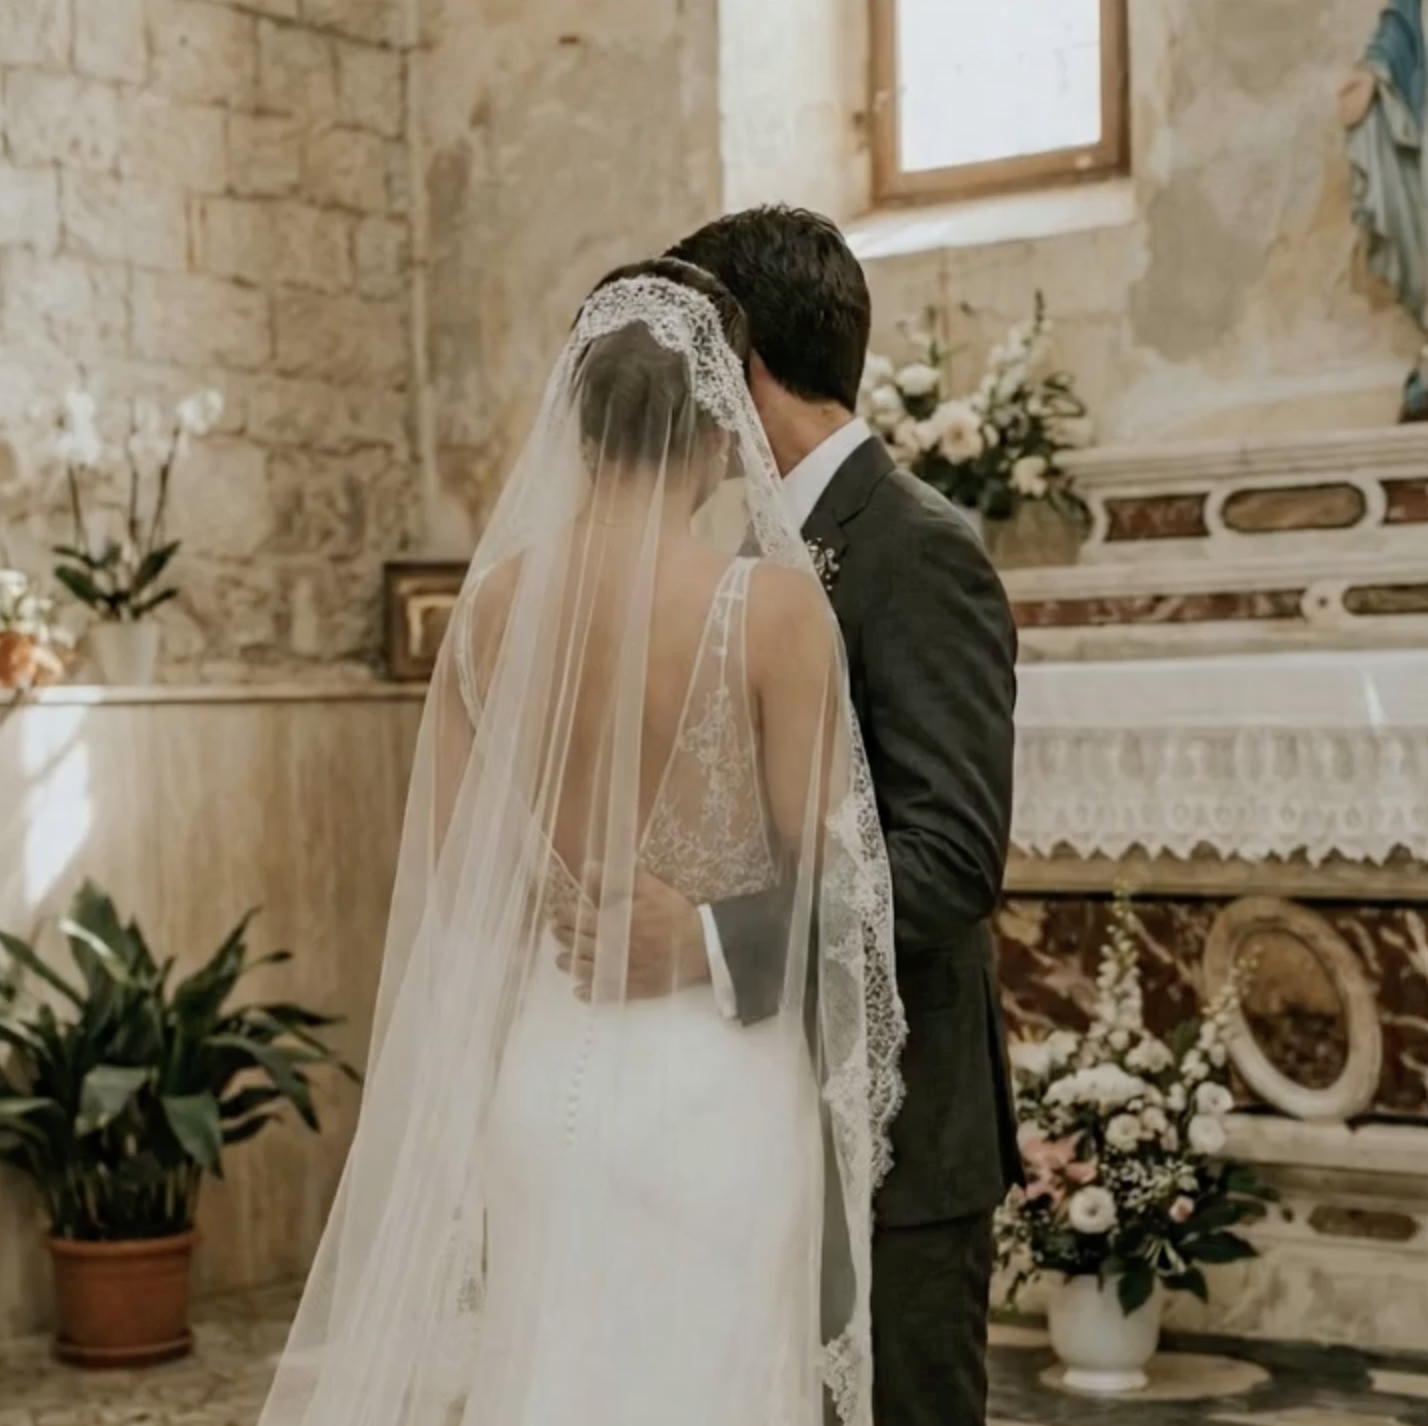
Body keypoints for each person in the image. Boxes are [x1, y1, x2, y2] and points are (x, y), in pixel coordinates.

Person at [256, 257, 905, 1426]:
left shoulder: (489, 617)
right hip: (715, 1087)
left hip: (544, 1081)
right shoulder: (773, 611)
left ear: (577, 420)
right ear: (720, 427)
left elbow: (461, 898)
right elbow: (836, 891)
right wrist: (698, 929)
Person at [590, 207, 1021, 1426]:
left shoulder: (916, 548)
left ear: (747, 364)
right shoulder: (748, 557)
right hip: (758, 1112)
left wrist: (713, 938)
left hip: (898, 1132)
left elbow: (949, 863)